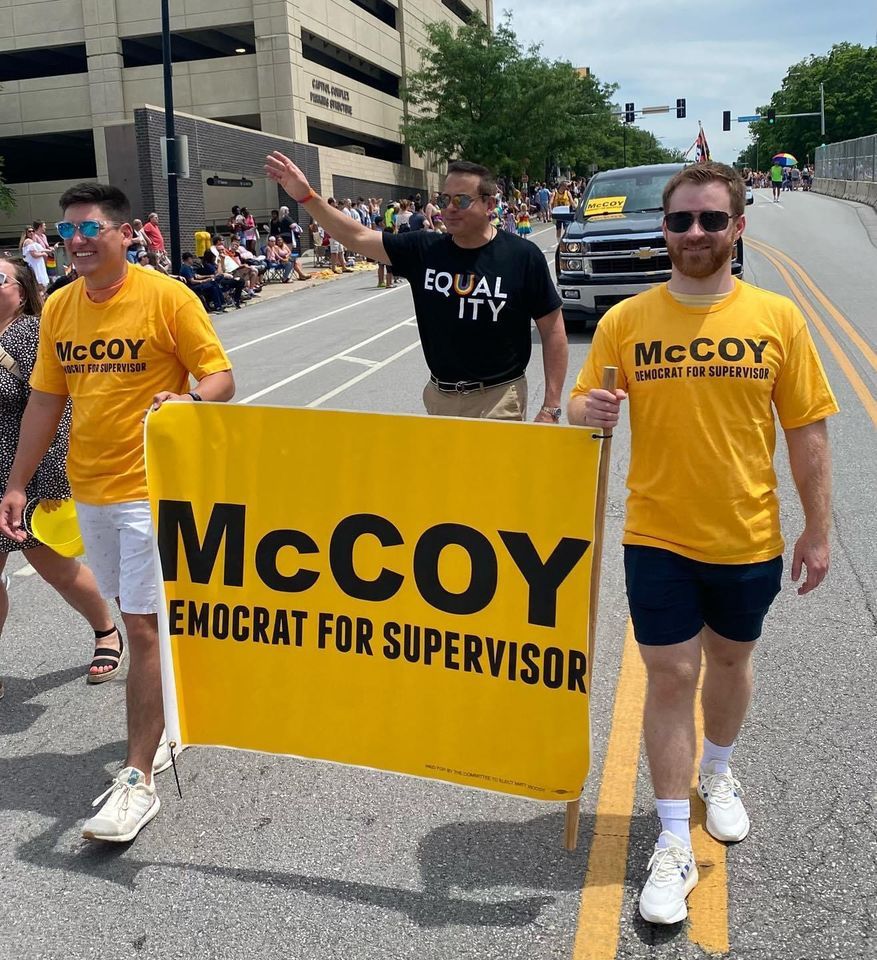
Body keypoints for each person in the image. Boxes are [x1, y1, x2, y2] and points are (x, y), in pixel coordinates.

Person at [567, 162, 838, 925]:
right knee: (666, 675)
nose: (694, 234)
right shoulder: (627, 321)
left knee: (728, 659)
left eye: (711, 221)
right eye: (681, 220)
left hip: (746, 532)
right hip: (656, 533)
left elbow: (806, 430)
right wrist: (586, 409)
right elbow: (582, 412)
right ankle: (673, 839)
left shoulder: (776, 319)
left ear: (737, 227)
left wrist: (818, 530)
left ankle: (717, 771)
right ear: (663, 229)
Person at [0, 182, 235, 843]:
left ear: (124, 234)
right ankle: (170, 718)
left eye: (89, 229)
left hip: (151, 490)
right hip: (90, 490)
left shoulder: (166, 297)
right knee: (144, 621)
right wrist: (17, 485)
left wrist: (191, 401)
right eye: (66, 230)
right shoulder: (62, 309)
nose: (74, 240)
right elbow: (46, 401)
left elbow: (220, 377)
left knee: (141, 626)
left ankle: (137, 779)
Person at [266, 153, 568, 422]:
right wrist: (307, 197)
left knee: (491, 486)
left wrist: (551, 407)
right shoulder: (425, 249)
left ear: (489, 204)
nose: (448, 208)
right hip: (439, 398)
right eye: (443, 198)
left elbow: (553, 331)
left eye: (461, 200)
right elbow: (357, 237)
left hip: (499, 400)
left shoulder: (522, 256)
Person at [0, 256, 122, 698]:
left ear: (21, 288)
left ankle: (106, 630)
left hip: (29, 467)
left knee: (53, 565)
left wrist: (35, 477)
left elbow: (52, 404)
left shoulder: (31, 332)